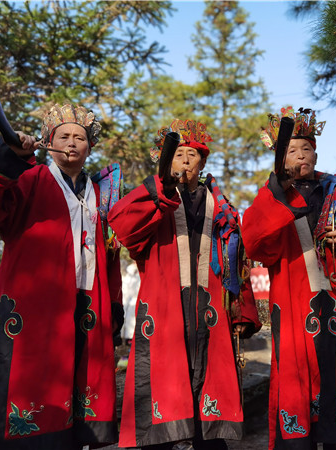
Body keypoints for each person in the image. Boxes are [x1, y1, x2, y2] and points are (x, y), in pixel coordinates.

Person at [0, 103, 123, 450]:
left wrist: (116, 306)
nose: (72, 142)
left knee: (79, 396)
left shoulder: (102, 193)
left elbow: (112, 256)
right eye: (64, 136)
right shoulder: (29, 178)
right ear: (49, 141)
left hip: (89, 308)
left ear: (90, 146)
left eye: (80, 137)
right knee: (27, 386)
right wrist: (7, 155)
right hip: (33, 307)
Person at [241, 107, 336, 450]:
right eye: (292, 150)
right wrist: (275, 196)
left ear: (317, 152)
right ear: (281, 158)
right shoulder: (271, 195)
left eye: (306, 148)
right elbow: (254, 243)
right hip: (293, 298)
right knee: (300, 385)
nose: (301, 155)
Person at [108, 119, 261, 450]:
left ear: (203, 163)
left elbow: (238, 261)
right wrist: (157, 189)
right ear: (166, 162)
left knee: (209, 413)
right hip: (165, 312)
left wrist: (242, 312)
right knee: (162, 411)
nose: (186, 161)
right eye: (178, 154)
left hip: (210, 314)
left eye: (193, 155)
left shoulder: (221, 208)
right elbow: (122, 227)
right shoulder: (153, 200)